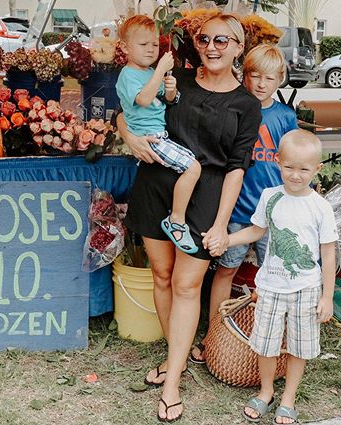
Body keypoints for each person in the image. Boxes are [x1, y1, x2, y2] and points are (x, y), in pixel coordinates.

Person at [116, 13, 262, 422]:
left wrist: (220, 223)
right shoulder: (173, 78)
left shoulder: (245, 105)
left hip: (205, 196)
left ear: (238, 47)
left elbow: (237, 168)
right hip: (156, 184)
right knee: (161, 277)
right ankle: (173, 357)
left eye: (222, 40)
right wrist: (127, 135)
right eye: (204, 39)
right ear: (195, 43)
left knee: (185, 284)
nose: (212, 47)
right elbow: (128, 110)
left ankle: (172, 382)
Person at [207, 130, 337, 424]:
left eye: (304, 169)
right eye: (289, 167)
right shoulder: (270, 197)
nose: (295, 175)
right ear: (278, 162)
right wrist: (228, 240)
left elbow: (328, 254)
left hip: (306, 289)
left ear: (317, 169)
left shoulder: (321, 207)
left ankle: (288, 397)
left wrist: (326, 296)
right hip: (270, 287)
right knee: (265, 343)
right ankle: (266, 391)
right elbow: (257, 231)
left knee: (298, 346)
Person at [190, 44, 300, 365]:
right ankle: (215, 334)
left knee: (273, 276)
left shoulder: (285, 116)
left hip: (274, 214)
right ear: (244, 75)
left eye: (269, 78)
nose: (261, 84)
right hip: (238, 211)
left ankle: (272, 339)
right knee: (226, 270)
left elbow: (292, 162)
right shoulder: (235, 108)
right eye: (254, 76)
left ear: (280, 79)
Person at [116, 15, 202, 254]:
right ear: (125, 47)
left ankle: (176, 216)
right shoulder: (128, 75)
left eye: (155, 44)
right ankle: (176, 220)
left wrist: (171, 90)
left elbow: (166, 100)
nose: (151, 49)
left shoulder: (149, 72)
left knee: (190, 166)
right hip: (150, 138)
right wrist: (161, 71)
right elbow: (143, 100)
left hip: (159, 134)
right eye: (143, 45)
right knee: (193, 168)